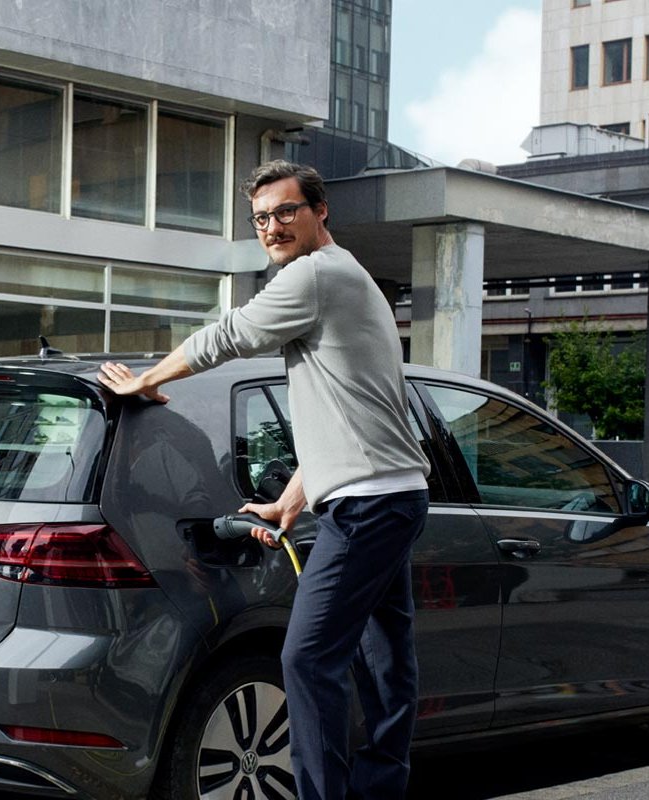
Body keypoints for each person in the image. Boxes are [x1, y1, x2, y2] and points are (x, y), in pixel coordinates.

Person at [98, 159, 432, 798]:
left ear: (319, 211)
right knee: (386, 663)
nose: (272, 228)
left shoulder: (315, 275)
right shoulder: (348, 276)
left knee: (307, 658)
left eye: (285, 212)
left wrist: (146, 380)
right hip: (387, 495)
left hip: (369, 507)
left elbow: (229, 334)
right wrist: (289, 499)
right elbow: (350, 419)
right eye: (260, 218)